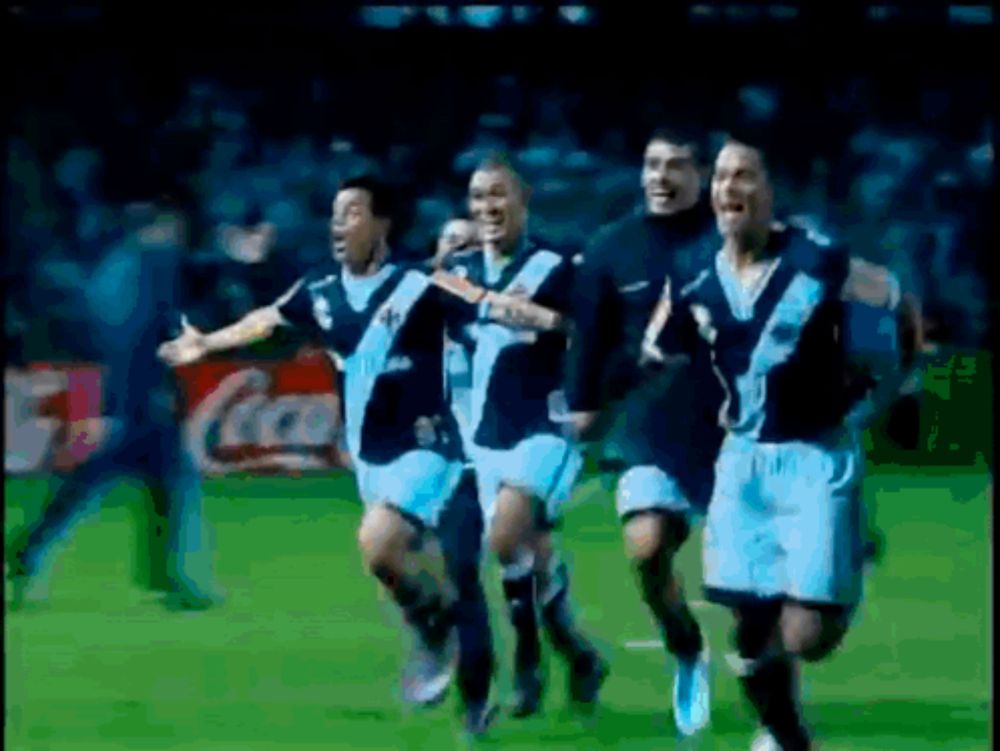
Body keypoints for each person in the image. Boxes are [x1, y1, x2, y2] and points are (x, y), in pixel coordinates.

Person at [159, 175, 504, 735]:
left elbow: (490, 312)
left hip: (432, 445)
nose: (338, 225)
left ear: (382, 223)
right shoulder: (320, 290)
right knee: (416, 569)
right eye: (336, 215)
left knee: (382, 544)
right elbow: (267, 319)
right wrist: (208, 343)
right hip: (371, 458)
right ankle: (460, 670)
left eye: (351, 214)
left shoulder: (421, 283)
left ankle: (440, 645)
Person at [644, 134, 921, 750]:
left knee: (807, 637)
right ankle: (788, 738)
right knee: (748, 624)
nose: (728, 189)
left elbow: (896, 298)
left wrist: (904, 386)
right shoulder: (693, 271)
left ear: (769, 193)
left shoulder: (816, 261)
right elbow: (663, 345)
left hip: (816, 457)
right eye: (720, 178)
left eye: (744, 177)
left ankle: (848, 546)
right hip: (741, 460)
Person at [564, 128, 722, 736]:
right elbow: (591, 337)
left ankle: (774, 688)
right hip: (649, 424)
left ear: (701, 173)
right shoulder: (611, 247)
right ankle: (686, 651)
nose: (661, 176)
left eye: (676, 164)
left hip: (735, 429)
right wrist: (582, 404)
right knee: (647, 548)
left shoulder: (730, 239)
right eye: (652, 163)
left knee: (752, 584)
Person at [443, 155, 607, 718]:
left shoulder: (557, 266)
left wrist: (543, 321)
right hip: (486, 434)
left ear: (523, 202)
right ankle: (579, 656)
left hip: (547, 426)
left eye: (499, 196)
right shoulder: (457, 274)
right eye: (478, 197)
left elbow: (590, 331)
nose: (488, 207)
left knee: (504, 535)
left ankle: (528, 662)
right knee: (530, 557)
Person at [7, 188, 221, 612]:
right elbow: (150, 334)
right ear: (166, 224)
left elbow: (108, 331)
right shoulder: (153, 266)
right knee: (160, 483)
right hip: (139, 401)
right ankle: (163, 576)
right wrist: (151, 391)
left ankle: (28, 555)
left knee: (122, 484)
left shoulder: (116, 265)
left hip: (121, 397)